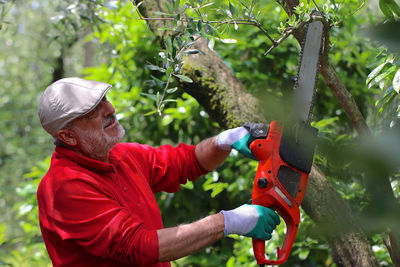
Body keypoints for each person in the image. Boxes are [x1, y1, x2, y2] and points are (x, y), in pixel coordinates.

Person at [37, 77, 280, 267]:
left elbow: (186, 162)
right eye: (92, 112)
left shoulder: (121, 155)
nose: (109, 109)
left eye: (104, 100)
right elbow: (138, 247)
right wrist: (230, 221)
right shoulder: (64, 187)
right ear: (68, 136)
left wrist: (224, 141)